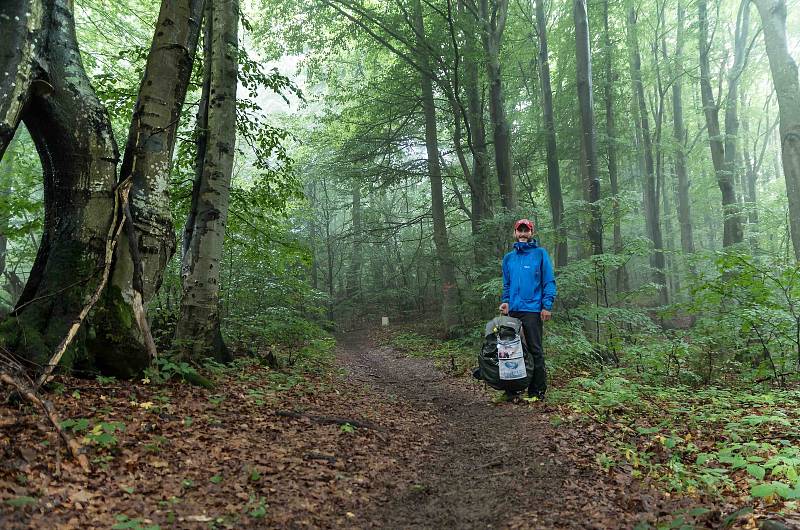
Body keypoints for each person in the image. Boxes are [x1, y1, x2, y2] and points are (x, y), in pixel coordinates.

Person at [499, 218, 557, 401]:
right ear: (515, 234)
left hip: (532, 309)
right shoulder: (509, 258)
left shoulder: (540, 254)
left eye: (526, 231)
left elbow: (549, 281)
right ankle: (513, 389)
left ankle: (537, 391)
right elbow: (507, 284)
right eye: (520, 231)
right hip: (513, 311)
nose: (523, 234)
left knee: (535, 350)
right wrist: (506, 301)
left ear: (532, 233)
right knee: (511, 351)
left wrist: (546, 305)